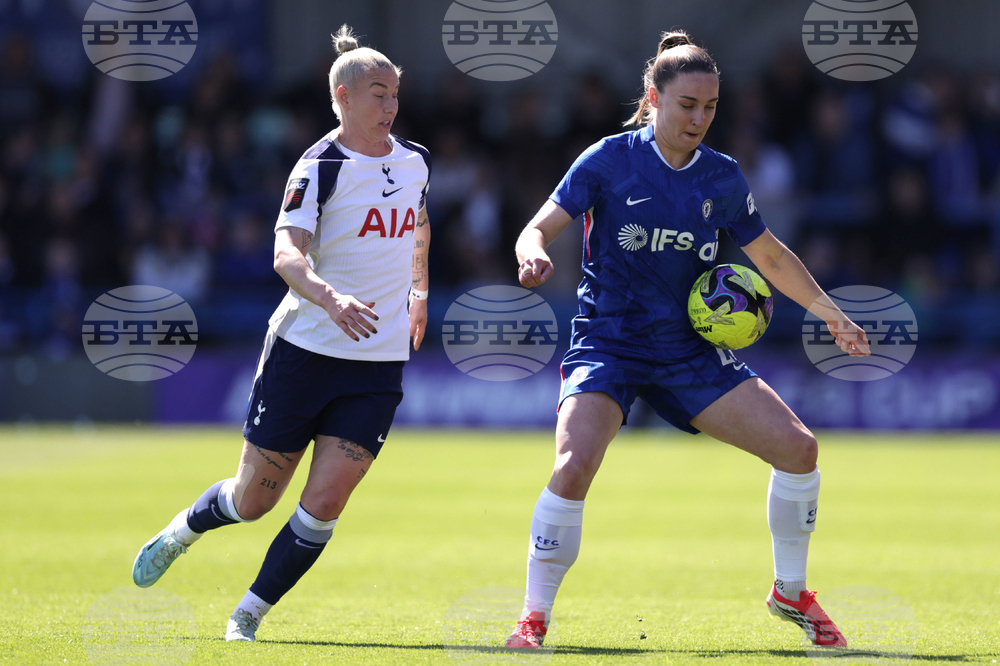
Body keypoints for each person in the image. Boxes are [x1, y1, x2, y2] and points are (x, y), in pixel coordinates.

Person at [505, 31, 870, 650]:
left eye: (710, 107)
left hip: (687, 351)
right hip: (608, 344)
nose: (700, 118)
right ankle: (533, 618)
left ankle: (790, 591)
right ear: (654, 99)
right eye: (687, 105)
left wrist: (827, 309)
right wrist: (534, 252)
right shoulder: (607, 160)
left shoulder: (722, 178)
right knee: (572, 466)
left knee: (800, 450)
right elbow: (535, 228)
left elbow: (770, 257)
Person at [131, 25, 432, 642]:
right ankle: (182, 530)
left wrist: (418, 292)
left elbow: (420, 226)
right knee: (254, 500)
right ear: (344, 97)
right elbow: (286, 256)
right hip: (307, 349)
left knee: (324, 504)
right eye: (379, 94)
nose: (392, 107)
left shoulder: (416, 161)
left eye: (396, 95)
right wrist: (331, 296)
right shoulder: (318, 166)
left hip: (377, 363)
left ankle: (248, 615)